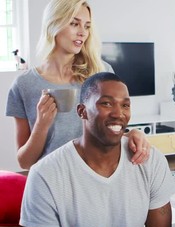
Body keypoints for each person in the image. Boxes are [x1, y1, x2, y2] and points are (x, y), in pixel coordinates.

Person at [19, 72, 175, 227]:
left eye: (125, 105)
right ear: (82, 111)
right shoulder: (45, 175)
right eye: (106, 103)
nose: (118, 114)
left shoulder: (151, 162)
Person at [5, 0, 149, 170]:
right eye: (74, 24)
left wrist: (132, 133)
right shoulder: (24, 85)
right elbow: (25, 162)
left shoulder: (101, 72)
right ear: (54, 24)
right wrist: (41, 126)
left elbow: (110, 129)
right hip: (51, 182)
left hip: (97, 176)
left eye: (87, 26)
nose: (82, 32)